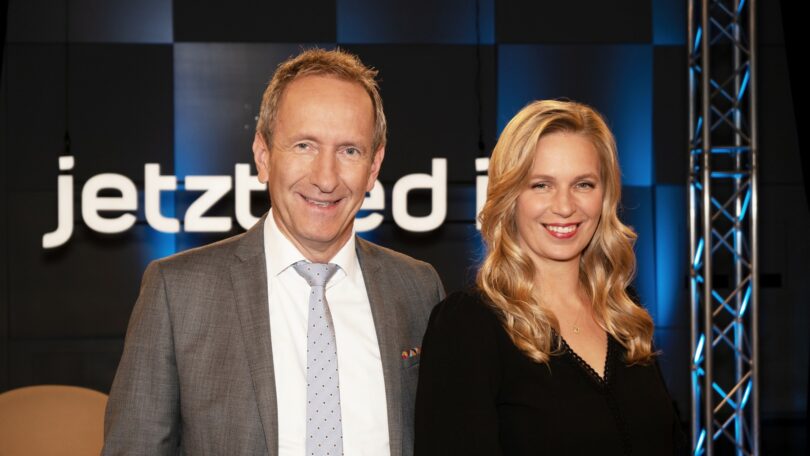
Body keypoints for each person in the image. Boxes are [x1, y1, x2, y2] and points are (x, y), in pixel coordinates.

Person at [103, 48, 445, 456]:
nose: (326, 178)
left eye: (349, 151)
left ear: (374, 167)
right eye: (304, 145)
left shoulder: (418, 288)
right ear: (263, 156)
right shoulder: (178, 293)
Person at [414, 100, 685, 455]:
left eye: (583, 184)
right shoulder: (468, 324)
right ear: (510, 196)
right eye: (541, 185)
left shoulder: (623, 313)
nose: (565, 206)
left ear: (605, 196)